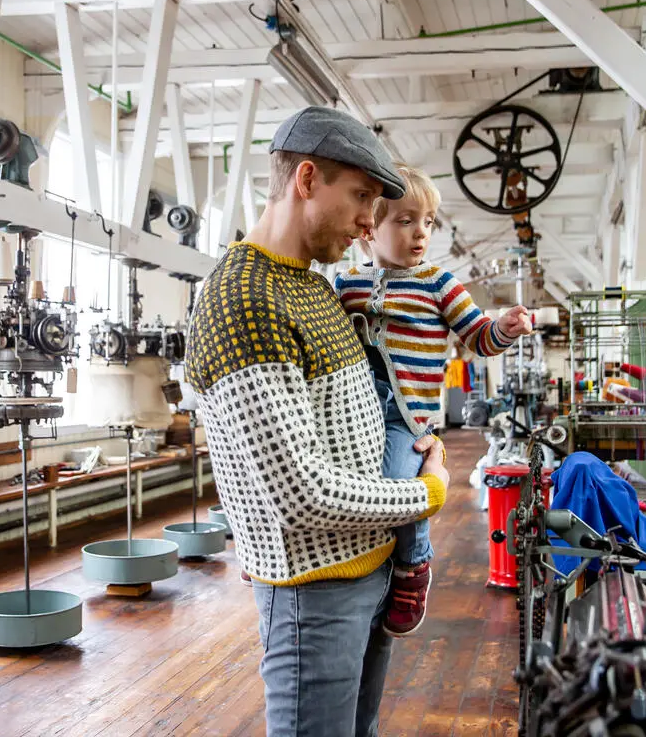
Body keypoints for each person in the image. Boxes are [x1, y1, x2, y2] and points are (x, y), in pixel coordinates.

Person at [185, 107, 450, 737]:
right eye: (361, 196)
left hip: (371, 568)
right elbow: (301, 494)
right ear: (307, 179)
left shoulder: (314, 288)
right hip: (315, 592)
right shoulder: (243, 301)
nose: (369, 221)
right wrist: (427, 493)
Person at [334, 163, 534, 637]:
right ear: (369, 229)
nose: (420, 233)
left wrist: (502, 327)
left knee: (399, 484)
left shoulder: (440, 285)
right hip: (353, 408)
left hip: (407, 417)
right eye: (405, 221)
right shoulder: (346, 284)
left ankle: (415, 563)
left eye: (427, 222)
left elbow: (478, 337)